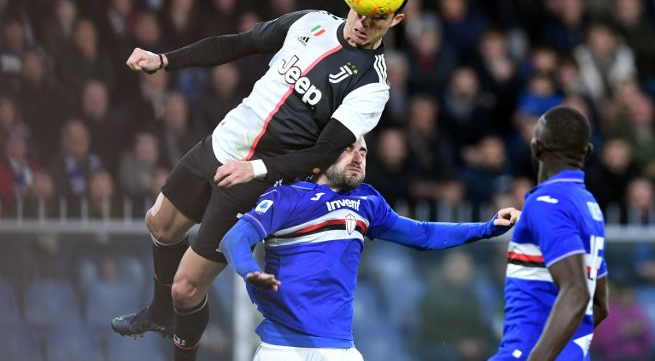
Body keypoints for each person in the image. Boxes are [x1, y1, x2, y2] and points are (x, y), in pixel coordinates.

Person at [111, 0, 410, 361]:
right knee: (159, 225)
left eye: (376, 19)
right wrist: (165, 61)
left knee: (186, 288)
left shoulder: (372, 86)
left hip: (258, 179)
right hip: (223, 143)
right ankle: (160, 313)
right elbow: (236, 44)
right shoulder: (310, 22)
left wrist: (256, 168)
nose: (362, 24)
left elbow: (322, 154)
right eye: (359, 12)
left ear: (395, 20)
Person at [218, 137, 520, 360]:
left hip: (340, 349)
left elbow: (424, 233)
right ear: (321, 157)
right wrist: (250, 271)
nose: (358, 156)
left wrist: (486, 228)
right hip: (282, 349)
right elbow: (235, 238)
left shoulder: (367, 202)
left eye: (362, 151)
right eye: (347, 148)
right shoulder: (288, 197)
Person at [489, 106, 609, 361]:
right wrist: (568, 350)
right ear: (587, 152)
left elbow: (577, 292)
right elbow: (599, 305)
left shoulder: (546, 202)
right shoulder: (589, 207)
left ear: (536, 147)